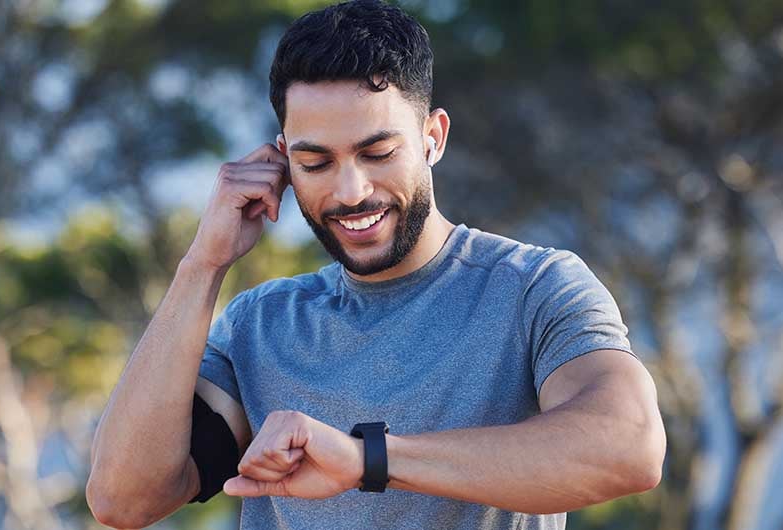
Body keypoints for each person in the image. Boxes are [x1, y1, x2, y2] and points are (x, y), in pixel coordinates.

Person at [85, 1, 667, 529]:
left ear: (433, 138)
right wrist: (203, 264)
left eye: (378, 153)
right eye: (316, 162)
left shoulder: (534, 289)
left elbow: (629, 447)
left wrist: (369, 460)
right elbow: (124, 499)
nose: (351, 191)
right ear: (283, 161)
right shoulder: (258, 325)